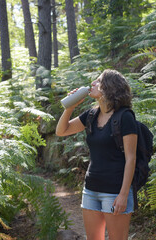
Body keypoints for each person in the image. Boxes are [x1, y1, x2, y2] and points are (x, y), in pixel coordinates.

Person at [56, 69, 138, 240]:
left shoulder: (125, 117)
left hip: (115, 191)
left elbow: (131, 158)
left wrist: (123, 195)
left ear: (110, 88)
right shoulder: (92, 115)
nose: (92, 83)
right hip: (91, 190)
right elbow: (61, 131)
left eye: (98, 81)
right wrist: (69, 108)